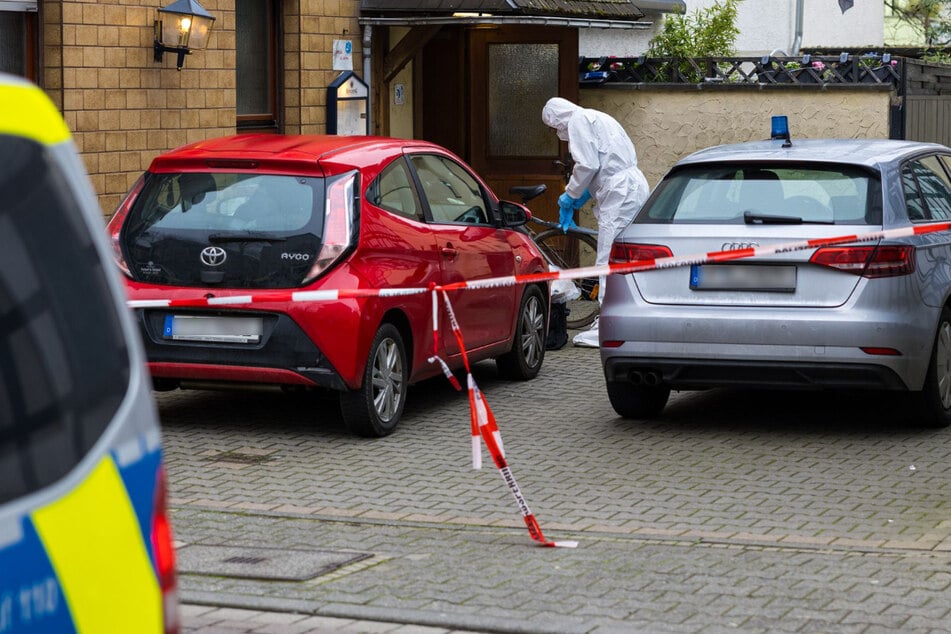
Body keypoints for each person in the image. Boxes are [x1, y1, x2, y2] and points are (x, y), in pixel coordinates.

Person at [541, 97, 650, 348]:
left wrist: (571, 195)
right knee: (625, 257)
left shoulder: (579, 120)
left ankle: (606, 323)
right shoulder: (597, 117)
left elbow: (588, 164)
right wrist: (585, 194)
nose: (557, 133)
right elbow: (605, 163)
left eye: (553, 127)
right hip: (630, 186)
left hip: (620, 192)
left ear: (557, 118)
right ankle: (626, 317)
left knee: (607, 258)